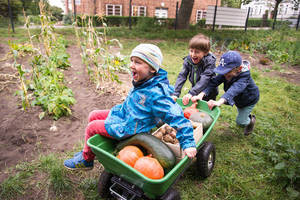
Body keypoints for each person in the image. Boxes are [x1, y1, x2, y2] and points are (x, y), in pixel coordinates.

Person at [64, 44, 197, 170]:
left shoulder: (155, 94)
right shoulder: (145, 80)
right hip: (127, 114)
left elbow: (175, 115)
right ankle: (90, 150)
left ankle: (86, 160)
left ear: (152, 68)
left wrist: (188, 143)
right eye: (132, 60)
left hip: (130, 127)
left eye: (138, 62)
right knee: (93, 115)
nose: (131, 65)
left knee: (91, 127)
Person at [195, 51, 259, 136]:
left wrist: (219, 102)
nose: (225, 75)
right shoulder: (226, 72)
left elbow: (233, 90)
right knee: (241, 112)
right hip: (238, 99)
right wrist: (202, 94)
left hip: (248, 100)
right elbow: (214, 82)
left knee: (241, 122)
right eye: (223, 72)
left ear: (239, 69)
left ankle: (250, 121)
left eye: (228, 74)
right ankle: (244, 115)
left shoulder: (244, 77)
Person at [171, 33, 218, 105]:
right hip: (196, 89)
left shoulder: (210, 62)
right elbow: (182, 76)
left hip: (208, 92)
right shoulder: (188, 60)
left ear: (205, 52)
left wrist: (191, 93)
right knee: (194, 110)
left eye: (197, 52)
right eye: (191, 51)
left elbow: (205, 78)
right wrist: (175, 93)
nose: (193, 54)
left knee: (206, 112)